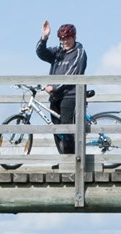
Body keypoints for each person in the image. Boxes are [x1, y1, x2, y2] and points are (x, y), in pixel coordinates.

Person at [36, 20, 87, 154]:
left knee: (66, 127)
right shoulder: (58, 52)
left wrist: (54, 87)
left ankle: (71, 162)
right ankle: (64, 158)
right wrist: (44, 37)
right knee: (56, 129)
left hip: (71, 95)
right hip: (55, 97)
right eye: (62, 39)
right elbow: (41, 53)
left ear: (74, 37)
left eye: (67, 38)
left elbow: (72, 73)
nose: (65, 41)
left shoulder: (79, 52)